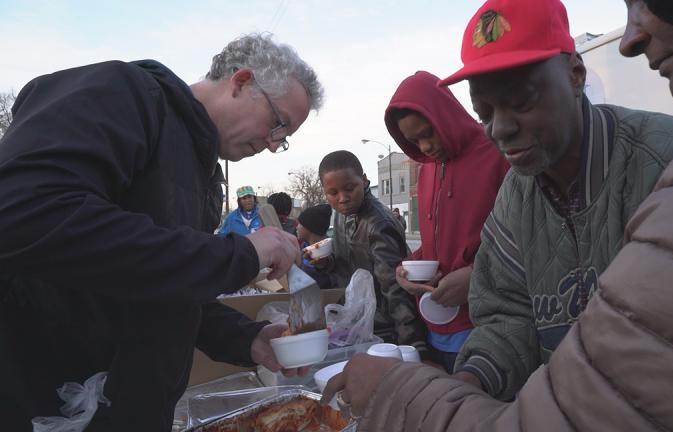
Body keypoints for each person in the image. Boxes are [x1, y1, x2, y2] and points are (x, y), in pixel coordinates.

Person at [321, 0, 673, 430]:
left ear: (575, 74)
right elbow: (507, 316)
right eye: (486, 112)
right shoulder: (517, 193)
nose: (501, 128)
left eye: (521, 101)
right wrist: (466, 382)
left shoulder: (665, 161)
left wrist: (424, 404)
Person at [0, 32, 323, 431]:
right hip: (50, 405)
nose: (275, 145)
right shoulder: (126, 94)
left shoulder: (203, 175)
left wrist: (245, 338)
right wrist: (240, 254)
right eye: (279, 125)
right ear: (241, 82)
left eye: (285, 139)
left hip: (130, 409)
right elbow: (22, 211)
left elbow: (159, 285)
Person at [385, 71, 509, 372]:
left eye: (429, 133)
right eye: (414, 140)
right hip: (436, 327)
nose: (425, 147)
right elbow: (437, 245)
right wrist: (409, 267)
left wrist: (477, 277)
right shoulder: (427, 169)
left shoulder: (497, 154)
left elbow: (527, 240)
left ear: (446, 115)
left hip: (490, 325)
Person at [315, 150, 426, 352]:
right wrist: (325, 263)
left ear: (364, 181)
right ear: (325, 192)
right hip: (356, 323)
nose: (343, 198)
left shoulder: (379, 224)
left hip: (384, 331)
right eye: (333, 193)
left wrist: (413, 346)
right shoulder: (341, 215)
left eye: (350, 189)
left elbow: (396, 289)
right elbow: (346, 263)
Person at [296, 203, 336, 289]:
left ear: (309, 227)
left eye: (299, 224)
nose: (296, 227)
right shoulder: (306, 247)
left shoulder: (326, 251)